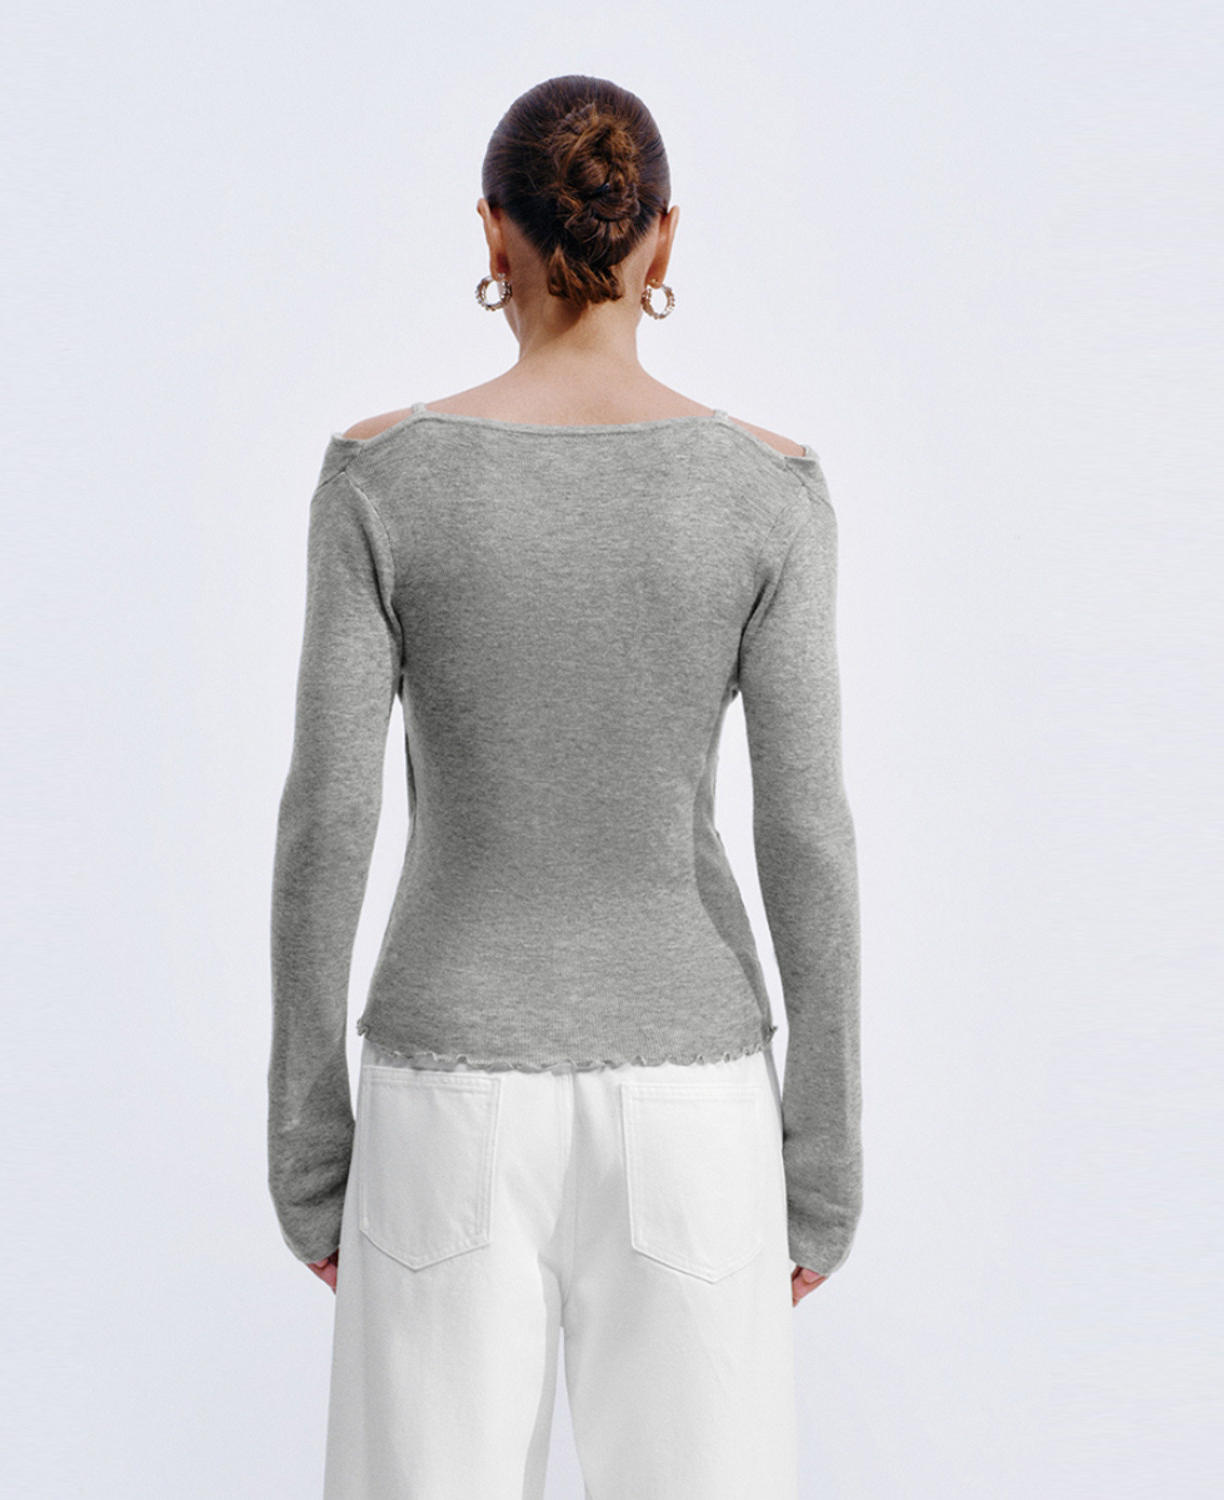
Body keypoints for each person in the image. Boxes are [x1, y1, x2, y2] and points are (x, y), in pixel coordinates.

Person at [268, 73, 862, 1500]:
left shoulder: (380, 480)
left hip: (446, 1097)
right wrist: (825, 1164)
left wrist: (309, 1147)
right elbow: (807, 834)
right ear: (664, 236)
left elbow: (328, 819)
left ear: (494, 233)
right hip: (695, 1107)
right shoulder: (768, 488)